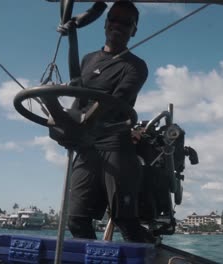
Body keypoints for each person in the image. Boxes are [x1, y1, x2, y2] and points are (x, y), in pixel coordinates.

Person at [67, 1, 154, 243]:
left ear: (134, 30)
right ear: (105, 24)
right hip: (86, 146)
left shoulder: (136, 66)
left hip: (115, 144)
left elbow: (115, 102)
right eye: (113, 19)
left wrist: (81, 124)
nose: (118, 25)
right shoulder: (87, 59)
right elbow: (78, 99)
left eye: (126, 22)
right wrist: (66, 126)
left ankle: (149, 252)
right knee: (76, 220)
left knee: (126, 222)